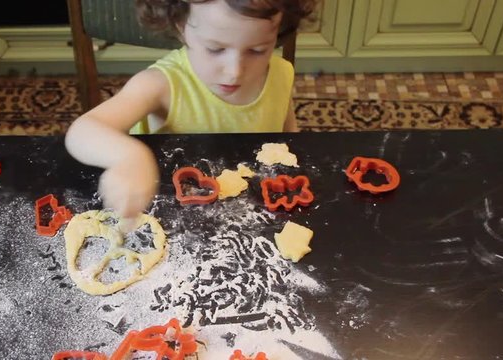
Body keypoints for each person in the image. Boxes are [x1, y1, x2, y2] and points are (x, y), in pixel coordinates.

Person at [65, 0, 316, 227]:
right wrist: (129, 158)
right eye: (215, 49)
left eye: (258, 50)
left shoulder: (282, 74)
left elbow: (289, 141)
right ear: (180, 24)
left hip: (252, 217)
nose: (234, 71)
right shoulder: (159, 85)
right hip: (172, 218)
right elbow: (83, 130)